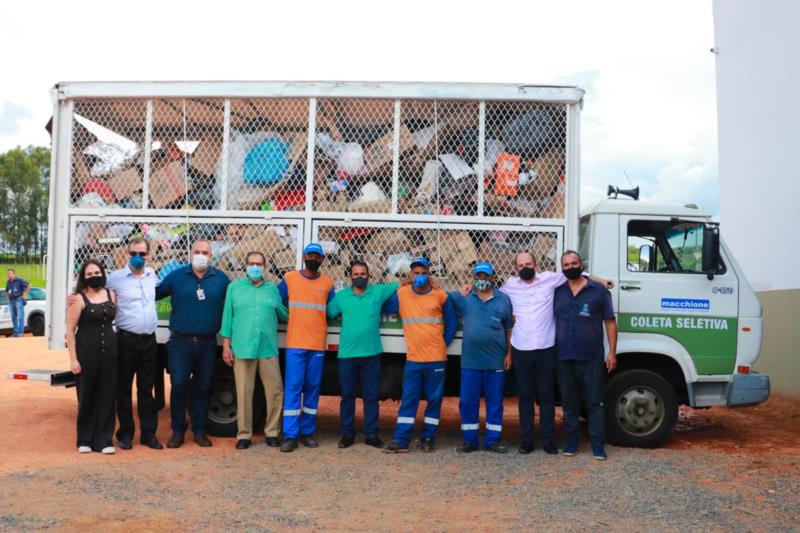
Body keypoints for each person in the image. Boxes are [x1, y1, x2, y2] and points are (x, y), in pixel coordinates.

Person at [500, 252, 613, 455]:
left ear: (537, 265)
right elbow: (490, 291)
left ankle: (548, 440)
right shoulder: (509, 285)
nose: (525, 267)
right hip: (521, 348)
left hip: (546, 347)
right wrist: (468, 287)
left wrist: (603, 280)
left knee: (546, 397)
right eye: (521, 265)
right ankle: (526, 440)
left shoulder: (550, 279)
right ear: (515, 268)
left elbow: (579, 273)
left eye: (529, 263)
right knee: (525, 397)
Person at [156, 239, 230, 449]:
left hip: (207, 344)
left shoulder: (221, 279)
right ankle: (178, 431)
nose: (200, 255)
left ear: (211, 255)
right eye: (197, 251)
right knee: (179, 384)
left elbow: (234, 302)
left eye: (204, 252)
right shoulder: (177, 276)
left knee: (203, 387)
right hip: (180, 342)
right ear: (190, 254)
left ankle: (199, 431)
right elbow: (153, 293)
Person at [385, 257, 457, 453]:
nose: (420, 276)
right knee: (409, 399)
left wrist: (444, 343)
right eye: (416, 273)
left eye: (424, 273)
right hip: (414, 359)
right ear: (411, 275)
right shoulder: (401, 294)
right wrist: (401, 283)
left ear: (429, 274)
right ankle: (401, 440)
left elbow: (451, 321)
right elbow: (382, 303)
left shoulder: (440, 295)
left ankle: (428, 438)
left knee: (434, 400)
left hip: (436, 358)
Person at [326, 260, 398, 450]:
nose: (359, 277)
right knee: (347, 396)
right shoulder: (341, 297)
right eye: (356, 274)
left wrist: (430, 279)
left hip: (371, 354)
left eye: (363, 274)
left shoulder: (378, 292)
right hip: (347, 355)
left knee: (371, 397)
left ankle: (371, 435)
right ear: (350, 277)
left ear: (368, 276)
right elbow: (328, 312)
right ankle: (347, 434)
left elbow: (403, 283)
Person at [553, 250, 618, 460]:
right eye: (566, 264)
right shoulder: (557, 291)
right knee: (569, 403)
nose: (571, 267)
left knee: (594, 403)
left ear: (582, 265)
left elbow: (610, 322)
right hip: (564, 357)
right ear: (562, 268)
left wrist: (612, 353)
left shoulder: (598, 291)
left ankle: (598, 445)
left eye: (574, 263)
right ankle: (571, 443)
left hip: (592, 358)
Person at [220, 251, 288, 450]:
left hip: (267, 348)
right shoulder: (234, 288)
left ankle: (272, 432)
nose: (255, 267)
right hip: (242, 347)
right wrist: (226, 345)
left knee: (275, 391)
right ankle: (244, 435)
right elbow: (227, 317)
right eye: (251, 263)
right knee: (243, 392)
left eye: (259, 263)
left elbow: (283, 313)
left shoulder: (272, 289)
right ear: (246, 266)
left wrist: (303, 316)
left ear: (265, 267)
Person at [449, 262, 514, 454]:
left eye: (485, 276)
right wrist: (461, 289)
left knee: (494, 402)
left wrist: (509, 353)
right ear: (473, 277)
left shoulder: (503, 300)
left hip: (495, 362)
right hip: (470, 362)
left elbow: (509, 329)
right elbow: (438, 291)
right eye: (478, 276)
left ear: (492, 278)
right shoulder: (466, 298)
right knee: (468, 402)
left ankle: (492, 441)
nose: (482, 280)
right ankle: (470, 441)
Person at [277, 243, 335, 452]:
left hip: (317, 345)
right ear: (304, 257)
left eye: (317, 256)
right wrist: (286, 316)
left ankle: (307, 433)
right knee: (293, 389)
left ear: (321, 260)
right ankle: (290, 435)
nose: (313, 258)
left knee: (312, 389)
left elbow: (333, 308)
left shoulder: (328, 282)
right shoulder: (290, 278)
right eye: (310, 255)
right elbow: (277, 300)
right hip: (295, 344)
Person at [107, 238, 162, 451]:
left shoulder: (152, 276)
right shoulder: (115, 279)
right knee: (123, 389)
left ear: (149, 255)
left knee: (146, 390)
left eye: (143, 253)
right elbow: (97, 296)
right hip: (126, 340)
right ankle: (126, 433)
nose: (138, 257)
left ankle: (149, 435)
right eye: (134, 253)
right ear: (127, 254)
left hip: (149, 340)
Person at [65, 260, 118, 454]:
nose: (94, 276)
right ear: (83, 278)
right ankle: (84, 439)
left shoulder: (112, 294)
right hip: (87, 353)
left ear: (103, 273)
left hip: (111, 354)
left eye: (97, 272)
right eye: (89, 274)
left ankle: (105, 440)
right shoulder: (77, 299)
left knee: (107, 396)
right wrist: (73, 359)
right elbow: (70, 330)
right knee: (86, 395)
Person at [6, 269, 30, 337]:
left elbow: (29, 285)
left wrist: (24, 294)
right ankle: (16, 332)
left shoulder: (19, 280)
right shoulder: (8, 282)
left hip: (18, 300)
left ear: (13, 274)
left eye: (9, 273)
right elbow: (7, 290)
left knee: (20, 317)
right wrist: (7, 297)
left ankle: (21, 333)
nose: (8, 275)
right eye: (7, 274)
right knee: (13, 317)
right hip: (11, 301)